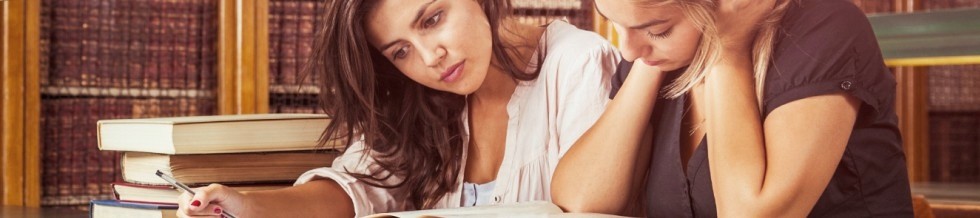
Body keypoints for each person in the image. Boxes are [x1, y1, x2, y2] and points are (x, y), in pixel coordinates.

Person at [176, 0, 620, 217]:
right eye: (400, 51)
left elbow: (592, 207)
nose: (429, 58)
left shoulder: (577, 62)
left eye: (432, 19)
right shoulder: (421, 98)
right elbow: (356, 187)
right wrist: (243, 204)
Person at [552, 0, 913, 216]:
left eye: (658, 29)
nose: (627, 50)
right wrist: (650, 59)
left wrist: (726, 47)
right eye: (615, 24)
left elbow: (750, 214)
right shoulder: (657, 56)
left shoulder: (825, 30)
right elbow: (581, 199)